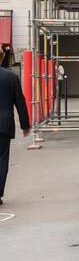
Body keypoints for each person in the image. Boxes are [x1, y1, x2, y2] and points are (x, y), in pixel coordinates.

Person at [0, 63, 32, 206]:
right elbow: (20, 101)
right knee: (2, 159)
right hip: (4, 125)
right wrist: (25, 125)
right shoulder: (11, 77)